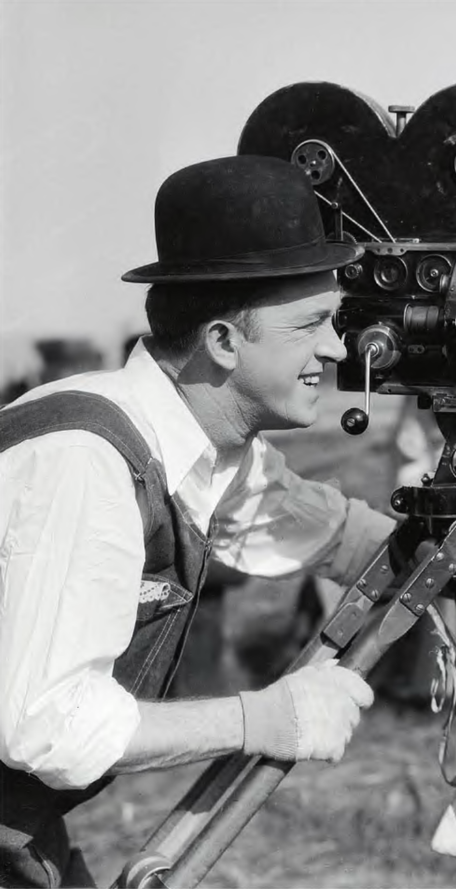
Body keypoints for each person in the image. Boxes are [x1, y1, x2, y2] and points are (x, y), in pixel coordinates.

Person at [0, 155, 399, 888]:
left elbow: (307, 524)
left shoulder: (200, 446)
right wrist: (261, 718)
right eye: (312, 324)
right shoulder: (89, 461)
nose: (338, 349)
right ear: (222, 341)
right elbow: (50, 724)